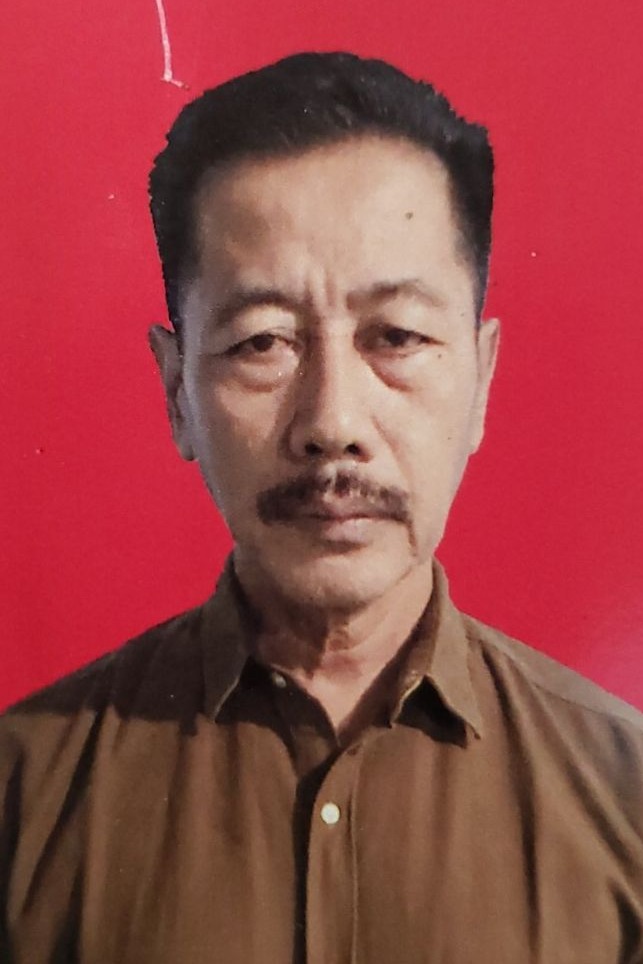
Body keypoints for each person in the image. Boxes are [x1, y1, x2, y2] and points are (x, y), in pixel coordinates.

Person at [1, 51, 642, 964]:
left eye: (397, 336)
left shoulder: (625, 805)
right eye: (262, 341)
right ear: (177, 391)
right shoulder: (23, 796)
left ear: (481, 378)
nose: (332, 423)